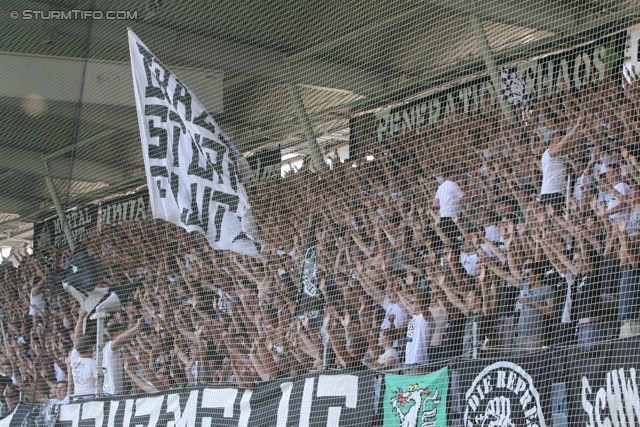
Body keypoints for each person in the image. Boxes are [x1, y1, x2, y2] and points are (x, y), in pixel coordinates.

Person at [516, 261, 554, 353]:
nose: (526, 277)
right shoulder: (524, 286)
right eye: (525, 275)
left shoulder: (547, 289)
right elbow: (506, 275)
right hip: (521, 334)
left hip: (535, 336)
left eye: (528, 274)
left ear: (537, 275)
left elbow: (551, 312)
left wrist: (531, 302)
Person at [102, 317, 143, 396]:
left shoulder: (118, 349)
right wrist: (136, 327)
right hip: (111, 393)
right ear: (116, 334)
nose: (125, 333)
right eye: (123, 331)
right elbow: (119, 340)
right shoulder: (110, 346)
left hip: (118, 392)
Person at [70, 310, 97, 396]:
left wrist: (80, 318)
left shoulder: (74, 359)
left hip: (78, 399)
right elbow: (98, 382)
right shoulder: (94, 363)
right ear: (90, 347)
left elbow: (76, 340)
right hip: (92, 399)